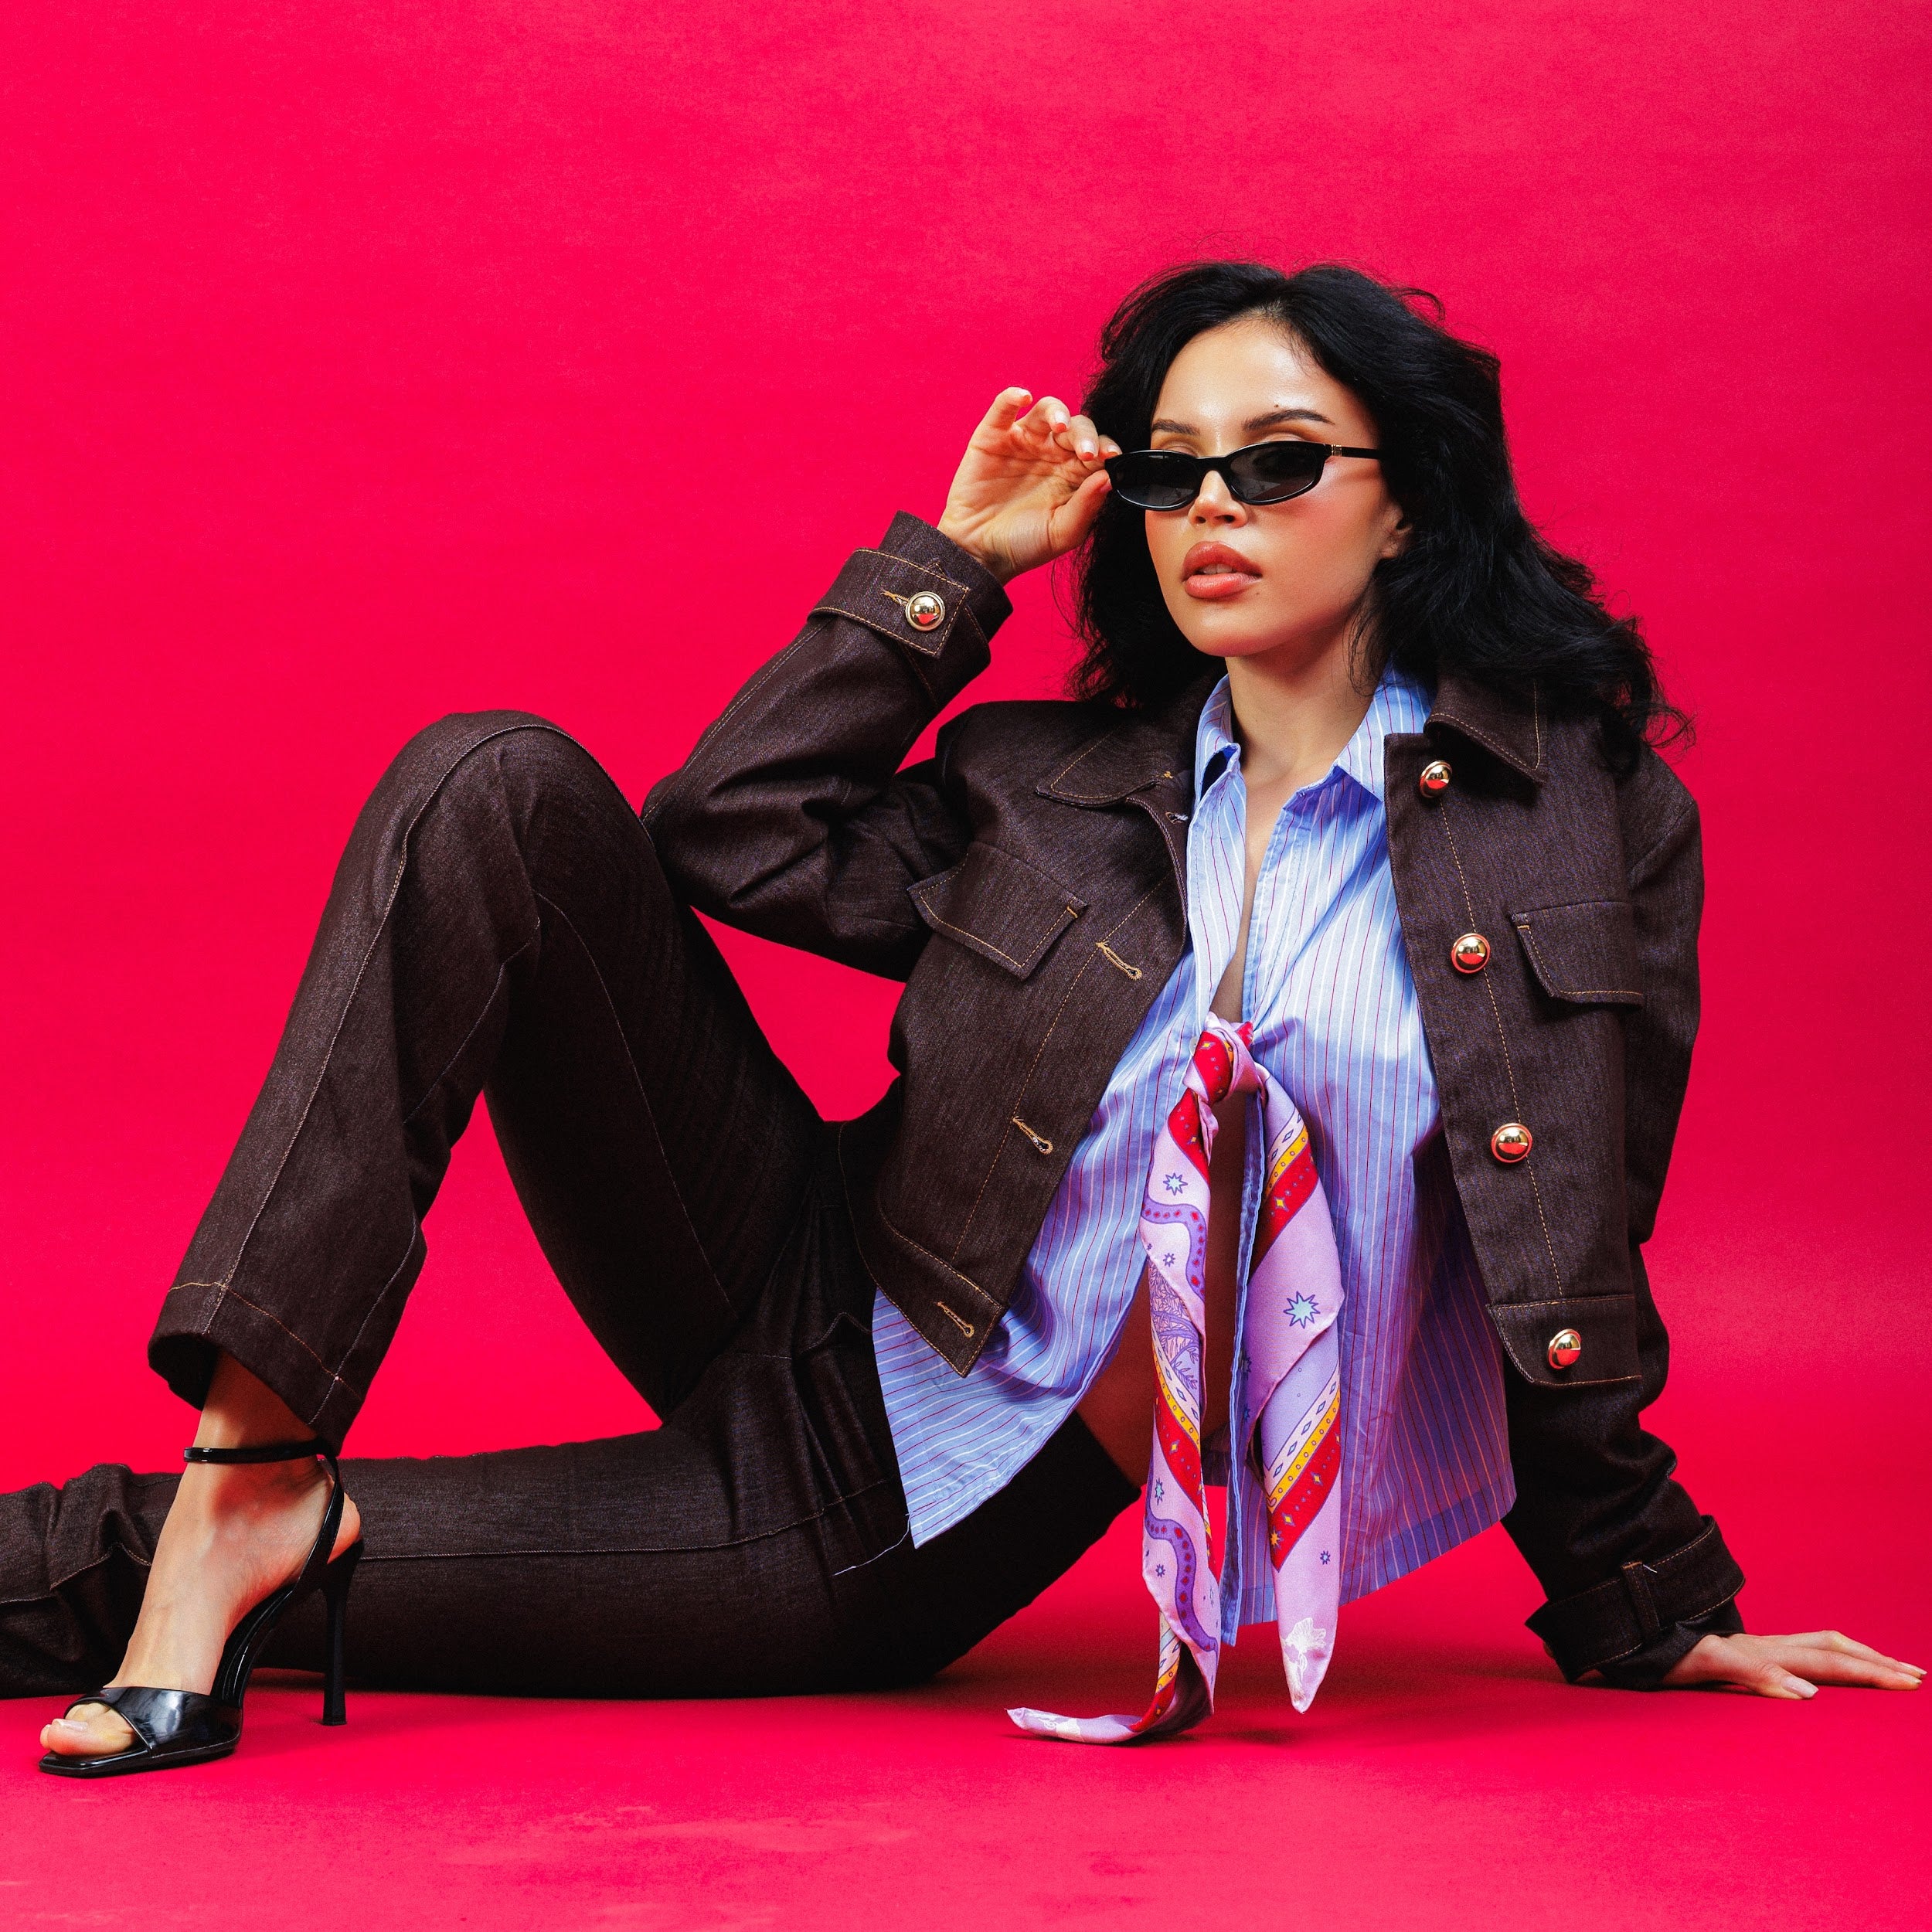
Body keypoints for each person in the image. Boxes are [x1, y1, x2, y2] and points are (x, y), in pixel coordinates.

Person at [13, 260, 1918, 1776]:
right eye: (1167, 469)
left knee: (157, 1550)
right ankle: (252, 1460)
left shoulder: (1579, 823)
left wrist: (1645, 1596)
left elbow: (1558, 1236)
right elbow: (728, 831)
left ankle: (211, 1535)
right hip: (792, 1254)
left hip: (876, 1502)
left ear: (1404, 500)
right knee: (484, 781)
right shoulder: (1065, 779)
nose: (1209, 506)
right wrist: (954, 571)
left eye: (1274, 462)